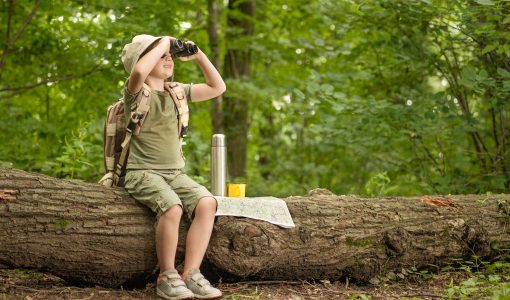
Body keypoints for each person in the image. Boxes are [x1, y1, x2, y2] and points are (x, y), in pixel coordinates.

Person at [120, 34, 226, 300]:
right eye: (161, 55)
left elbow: (217, 87)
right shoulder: (136, 92)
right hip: (142, 173)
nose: (168, 58)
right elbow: (141, 70)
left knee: (207, 203)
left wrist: (199, 55)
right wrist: (165, 42)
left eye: (170, 55)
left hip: (174, 173)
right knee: (172, 206)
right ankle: (167, 275)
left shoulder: (177, 92)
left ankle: (191, 273)